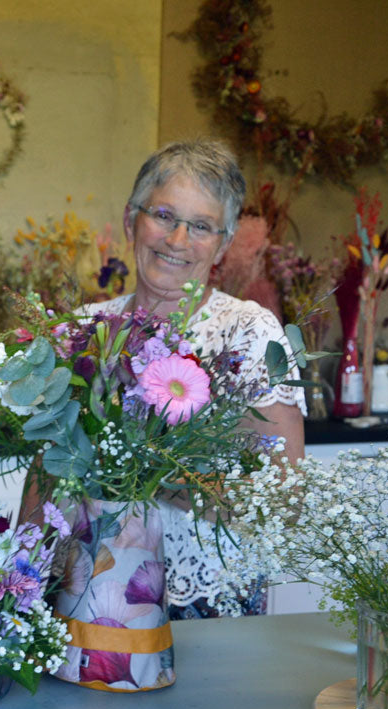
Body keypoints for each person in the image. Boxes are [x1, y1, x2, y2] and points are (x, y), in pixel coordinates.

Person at [63, 138, 306, 619]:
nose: (177, 241)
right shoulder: (84, 330)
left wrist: (154, 476)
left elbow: (284, 499)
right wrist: (24, 576)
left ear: (223, 245)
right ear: (133, 220)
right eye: (164, 216)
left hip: (207, 599)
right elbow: (45, 471)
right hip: (91, 590)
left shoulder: (248, 332)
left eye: (200, 226)